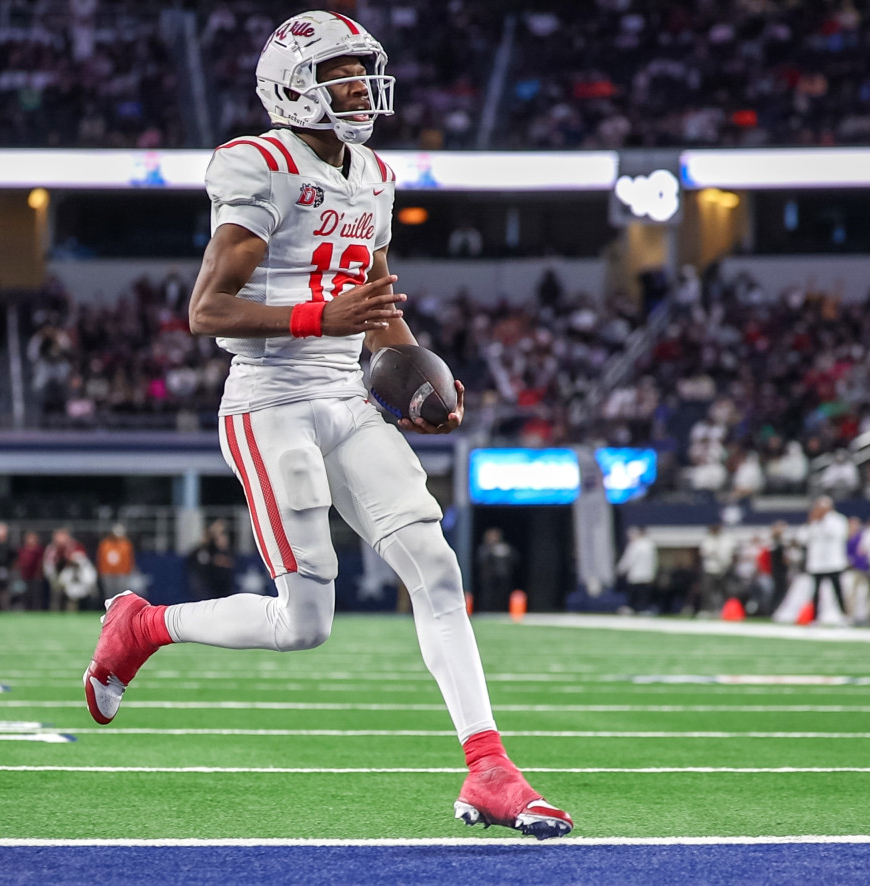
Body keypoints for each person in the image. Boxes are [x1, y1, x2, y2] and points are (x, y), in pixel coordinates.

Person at [83, 10, 571, 840]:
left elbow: (376, 309)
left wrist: (423, 380)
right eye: (339, 74)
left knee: (437, 568)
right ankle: (144, 624)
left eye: (361, 71)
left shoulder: (375, 175)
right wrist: (320, 316)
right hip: (268, 400)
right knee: (304, 624)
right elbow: (207, 310)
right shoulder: (257, 163)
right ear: (293, 86)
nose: (358, 88)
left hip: (347, 397)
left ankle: (489, 768)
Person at [800, 496, 850, 623]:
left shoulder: (838, 520)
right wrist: (811, 522)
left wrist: (823, 520)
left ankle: (844, 617)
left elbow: (836, 534)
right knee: (816, 592)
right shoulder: (813, 521)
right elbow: (802, 538)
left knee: (838, 591)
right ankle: (815, 618)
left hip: (834, 562)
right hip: (817, 563)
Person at [187, 519, 235, 600]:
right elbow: (191, 560)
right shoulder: (206, 549)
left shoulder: (226, 551)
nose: (223, 538)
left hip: (222, 590)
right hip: (205, 588)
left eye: (223, 535)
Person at [615, 526, 657, 614]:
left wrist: (620, 569)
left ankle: (632, 608)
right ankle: (643, 608)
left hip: (636, 575)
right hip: (646, 575)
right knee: (643, 593)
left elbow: (628, 560)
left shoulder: (635, 545)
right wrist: (653, 573)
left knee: (635, 593)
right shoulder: (650, 545)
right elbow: (654, 562)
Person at [475, 527, 517, 613]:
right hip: (488, 578)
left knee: (502, 596)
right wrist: (491, 551)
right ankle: (487, 611)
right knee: (488, 596)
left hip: (502, 577)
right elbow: (480, 560)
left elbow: (514, 559)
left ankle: (502, 610)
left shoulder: (504, 548)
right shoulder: (484, 548)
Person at [97, 524, 137, 600]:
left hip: (122, 572)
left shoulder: (126, 544)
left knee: (121, 594)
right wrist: (101, 571)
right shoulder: (105, 544)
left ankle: (120, 610)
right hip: (107, 572)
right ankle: (110, 610)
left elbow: (130, 559)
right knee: (109, 594)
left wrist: (129, 571)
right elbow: (101, 558)